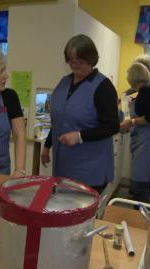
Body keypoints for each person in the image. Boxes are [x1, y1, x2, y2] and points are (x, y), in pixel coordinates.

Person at [40, 34, 120, 192]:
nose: (75, 66)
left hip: (90, 171)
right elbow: (59, 120)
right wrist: (47, 145)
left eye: (80, 62)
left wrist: (80, 136)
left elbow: (112, 126)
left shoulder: (103, 87)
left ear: (91, 59)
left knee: (82, 215)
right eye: (71, 61)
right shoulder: (64, 83)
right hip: (64, 167)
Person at [120, 62, 150, 203]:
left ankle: (140, 216)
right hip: (143, 141)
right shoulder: (145, 90)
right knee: (141, 181)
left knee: (140, 184)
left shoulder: (146, 91)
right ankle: (140, 213)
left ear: (133, 78)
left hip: (147, 143)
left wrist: (131, 122)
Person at [126, 54, 150, 122]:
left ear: (144, 69)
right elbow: (135, 87)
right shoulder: (146, 82)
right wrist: (125, 94)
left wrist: (132, 122)